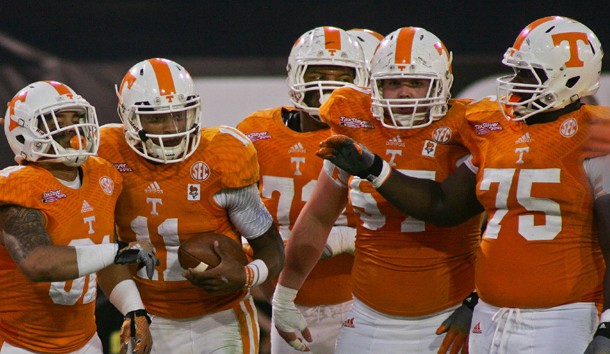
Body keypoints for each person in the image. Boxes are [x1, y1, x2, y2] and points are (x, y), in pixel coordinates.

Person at [318, 16, 610, 354]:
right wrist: (375, 168)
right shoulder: (494, 128)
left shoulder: (597, 135)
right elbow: (443, 206)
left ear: (571, 78)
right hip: (490, 314)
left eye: (528, 75)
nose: (515, 84)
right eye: (516, 72)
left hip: (562, 315)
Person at [272, 27, 484, 354]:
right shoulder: (357, 126)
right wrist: (285, 295)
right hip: (367, 318)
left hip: (447, 313)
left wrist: (477, 301)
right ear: (374, 84)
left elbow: (491, 223)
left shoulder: (467, 130)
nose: (403, 93)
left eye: (416, 83)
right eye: (392, 82)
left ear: (442, 83)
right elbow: (317, 215)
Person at [97, 58, 285, 354]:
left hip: (222, 316)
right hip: (148, 313)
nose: (171, 129)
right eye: (156, 118)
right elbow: (105, 249)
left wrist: (248, 275)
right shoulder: (104, 153)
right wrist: (133, 311)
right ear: (128, 117)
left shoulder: (224, 154)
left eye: (180, 115)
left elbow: (272, 247)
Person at [0, 80, 157, 354]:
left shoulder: (102, 176)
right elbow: (37, 263)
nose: (73, 130)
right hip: (19, 344)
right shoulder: (17, 186)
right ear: (24, 131)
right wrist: (117, 252)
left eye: (77, 119)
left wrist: (134, 310)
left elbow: (104, 258)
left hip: (84, 342)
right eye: (58, 121)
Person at [237, 26, 366, 353]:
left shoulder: (371, 136)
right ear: (295, 76)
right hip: (284, 302)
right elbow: (230, 222)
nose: (328, 86)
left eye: (341, 76)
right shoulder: (254, 134)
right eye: (318, 74)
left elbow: (395, 231)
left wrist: (338, 239)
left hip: (360, 303)